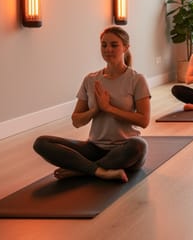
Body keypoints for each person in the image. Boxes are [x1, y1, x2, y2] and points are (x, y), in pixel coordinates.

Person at [33, 26, 150, 183]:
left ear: (125, 47)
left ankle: (83, 170)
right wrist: (95, 110)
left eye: (114, 45)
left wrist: (109, 109)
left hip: (125, 149)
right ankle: (100, 171)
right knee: (41, 143)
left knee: (139, 146)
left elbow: (144, 121)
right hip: (95, 148)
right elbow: (76, 121)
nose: (108, 49)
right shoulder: (90, 79)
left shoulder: (136, 79)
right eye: (104, 45)